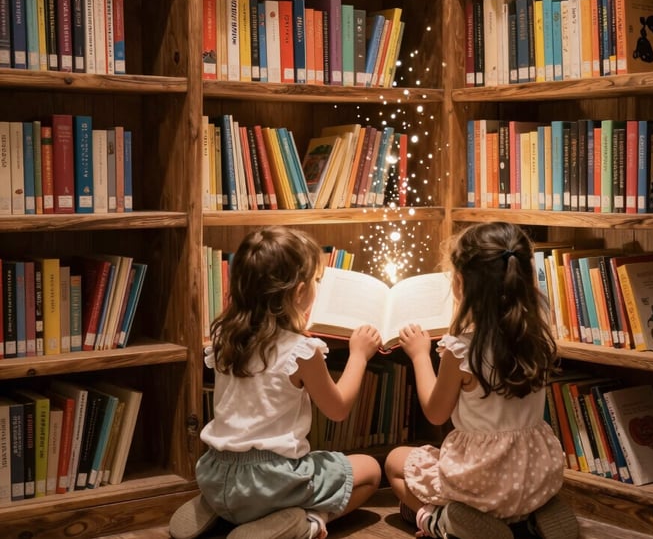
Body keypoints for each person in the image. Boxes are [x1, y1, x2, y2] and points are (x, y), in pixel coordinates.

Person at [169, 226, 383, 539]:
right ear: (298, 293)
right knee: (368, 470)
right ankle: (307, 522)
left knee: (247, 485)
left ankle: (219, 507)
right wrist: (359, 356)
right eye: (315, 282)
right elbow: (338, 409)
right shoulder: (301, 351)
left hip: (216, 472)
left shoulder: (222, 340)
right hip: (271, 481)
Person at [384, 222, 579, 539]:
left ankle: (440, 521)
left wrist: (420, 355)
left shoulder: (461, 350)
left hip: (481, 483)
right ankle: (534, 515)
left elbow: (436, 413)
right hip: (534, 476)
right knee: (515, 494)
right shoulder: (539, 339)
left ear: (460, 284)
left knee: (396, 462)